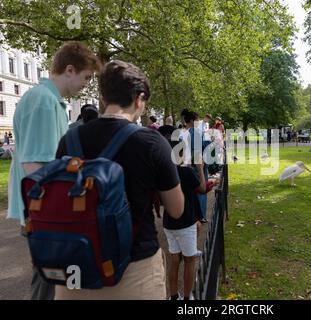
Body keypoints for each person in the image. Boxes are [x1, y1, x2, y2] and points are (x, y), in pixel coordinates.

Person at [54, 60, 184, 300]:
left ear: (103, 97)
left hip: (76, 271)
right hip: (134, 273)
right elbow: (176, 209)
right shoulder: (152, 142)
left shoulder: (69, 139)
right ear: (139, 98)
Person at [7, 41, 101, 300]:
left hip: (42, 213)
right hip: (45, 214)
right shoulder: (44, 102)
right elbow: (36, 167)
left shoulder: (46, 99)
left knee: (51, 282)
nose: (86, 84)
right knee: (49, 285)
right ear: (69, 70)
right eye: (86, 77)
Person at [161, 128, 206, 300]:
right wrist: (200, 168)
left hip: (169, 223)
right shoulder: (186, 172)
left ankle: (173, 296)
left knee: (174, 260)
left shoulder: (164, 172)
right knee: (189, 260)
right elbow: (201, 189)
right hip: (185, 222)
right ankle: (187, 298)